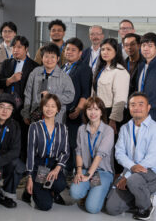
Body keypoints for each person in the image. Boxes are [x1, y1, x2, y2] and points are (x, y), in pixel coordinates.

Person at [106, 93, 156, 220]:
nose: (136, 108)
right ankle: (142, 196)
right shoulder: (125, 128)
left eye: (141, 104)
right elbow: (119, 153)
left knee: (133, 181)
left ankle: (146, 206)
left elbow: (150, 161)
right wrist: (131, 168)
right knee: (111, 208)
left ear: (148, 107)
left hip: (152, 175)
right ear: (129, 108)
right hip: (131, 172)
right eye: (133, 105)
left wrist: (127, 176)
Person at [69, 96, 114, 214]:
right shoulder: (81, 129)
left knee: (92, 208)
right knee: (74, 192)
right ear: (85, 112)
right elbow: (78, 152)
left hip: (102, 172)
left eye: (96, 109)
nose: (93, 113)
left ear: (101, 112)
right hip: (85, 169)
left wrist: (88, 175)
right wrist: (79, 172)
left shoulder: (108, 130)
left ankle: (103, 190)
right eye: (89, 109)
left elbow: (99, 156)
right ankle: (90, 190)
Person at [24, 94, 70, 210]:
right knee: (45, 206)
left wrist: (57, 169)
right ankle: (30, 190)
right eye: (46, 106)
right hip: (38, 165)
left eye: (53, 106)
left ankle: (51, 191)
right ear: (42, 107)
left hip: (53, 164)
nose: (49, 109)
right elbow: (30, 153)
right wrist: (29, 177)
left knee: (60, 184)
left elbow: (65, 152)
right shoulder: (34, 127)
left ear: (58, 109)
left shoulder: (62, 128)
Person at [21, 43, 75, 124]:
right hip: (36, 116)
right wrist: (25, 114)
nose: (49, 60)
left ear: (58, 58)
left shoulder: (64, 77)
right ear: (42, 58)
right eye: (46, 56)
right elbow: (28, 94)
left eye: (52, 57)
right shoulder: (35, 73)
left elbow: (70, 96)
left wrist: (52, 96)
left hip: (57, 118)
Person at [62, 37, 92, 169]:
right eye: (67, 49)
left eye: (73, 50)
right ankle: (64, 169)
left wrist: (79, 109)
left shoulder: (84, 68)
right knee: (63, 142)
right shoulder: (62, 67)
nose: (69, 52)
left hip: (74, 112)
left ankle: (74, 171)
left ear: (80, 53)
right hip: (61, 111)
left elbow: (86, 92)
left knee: (73, 143)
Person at [91, 38, 129, 132]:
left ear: (116, 51)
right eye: (102, 49)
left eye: (109, 49)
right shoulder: (101, 69)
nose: (105, 52)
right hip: (97, 111)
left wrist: (113, 120)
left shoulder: (120, 71)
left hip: (110, 113)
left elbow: (120, 99)